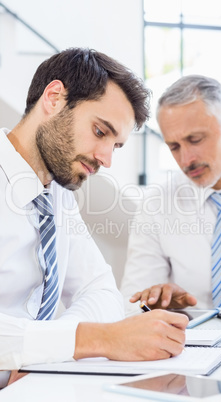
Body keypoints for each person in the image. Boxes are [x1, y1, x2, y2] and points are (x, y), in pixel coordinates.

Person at [0, 48, 188, 385]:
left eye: (115, 146)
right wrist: (96, 339)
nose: (106, 159)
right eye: (101, 132)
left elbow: (100, 290)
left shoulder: (57, 193)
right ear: (54, 98)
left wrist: (39, 355)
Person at [120, 74, 221, 315]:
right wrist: (154, 304)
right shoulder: (156, 206)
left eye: (195, 139)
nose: (186, 160)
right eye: (174, 147)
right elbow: (132, 304)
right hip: (192, 345)